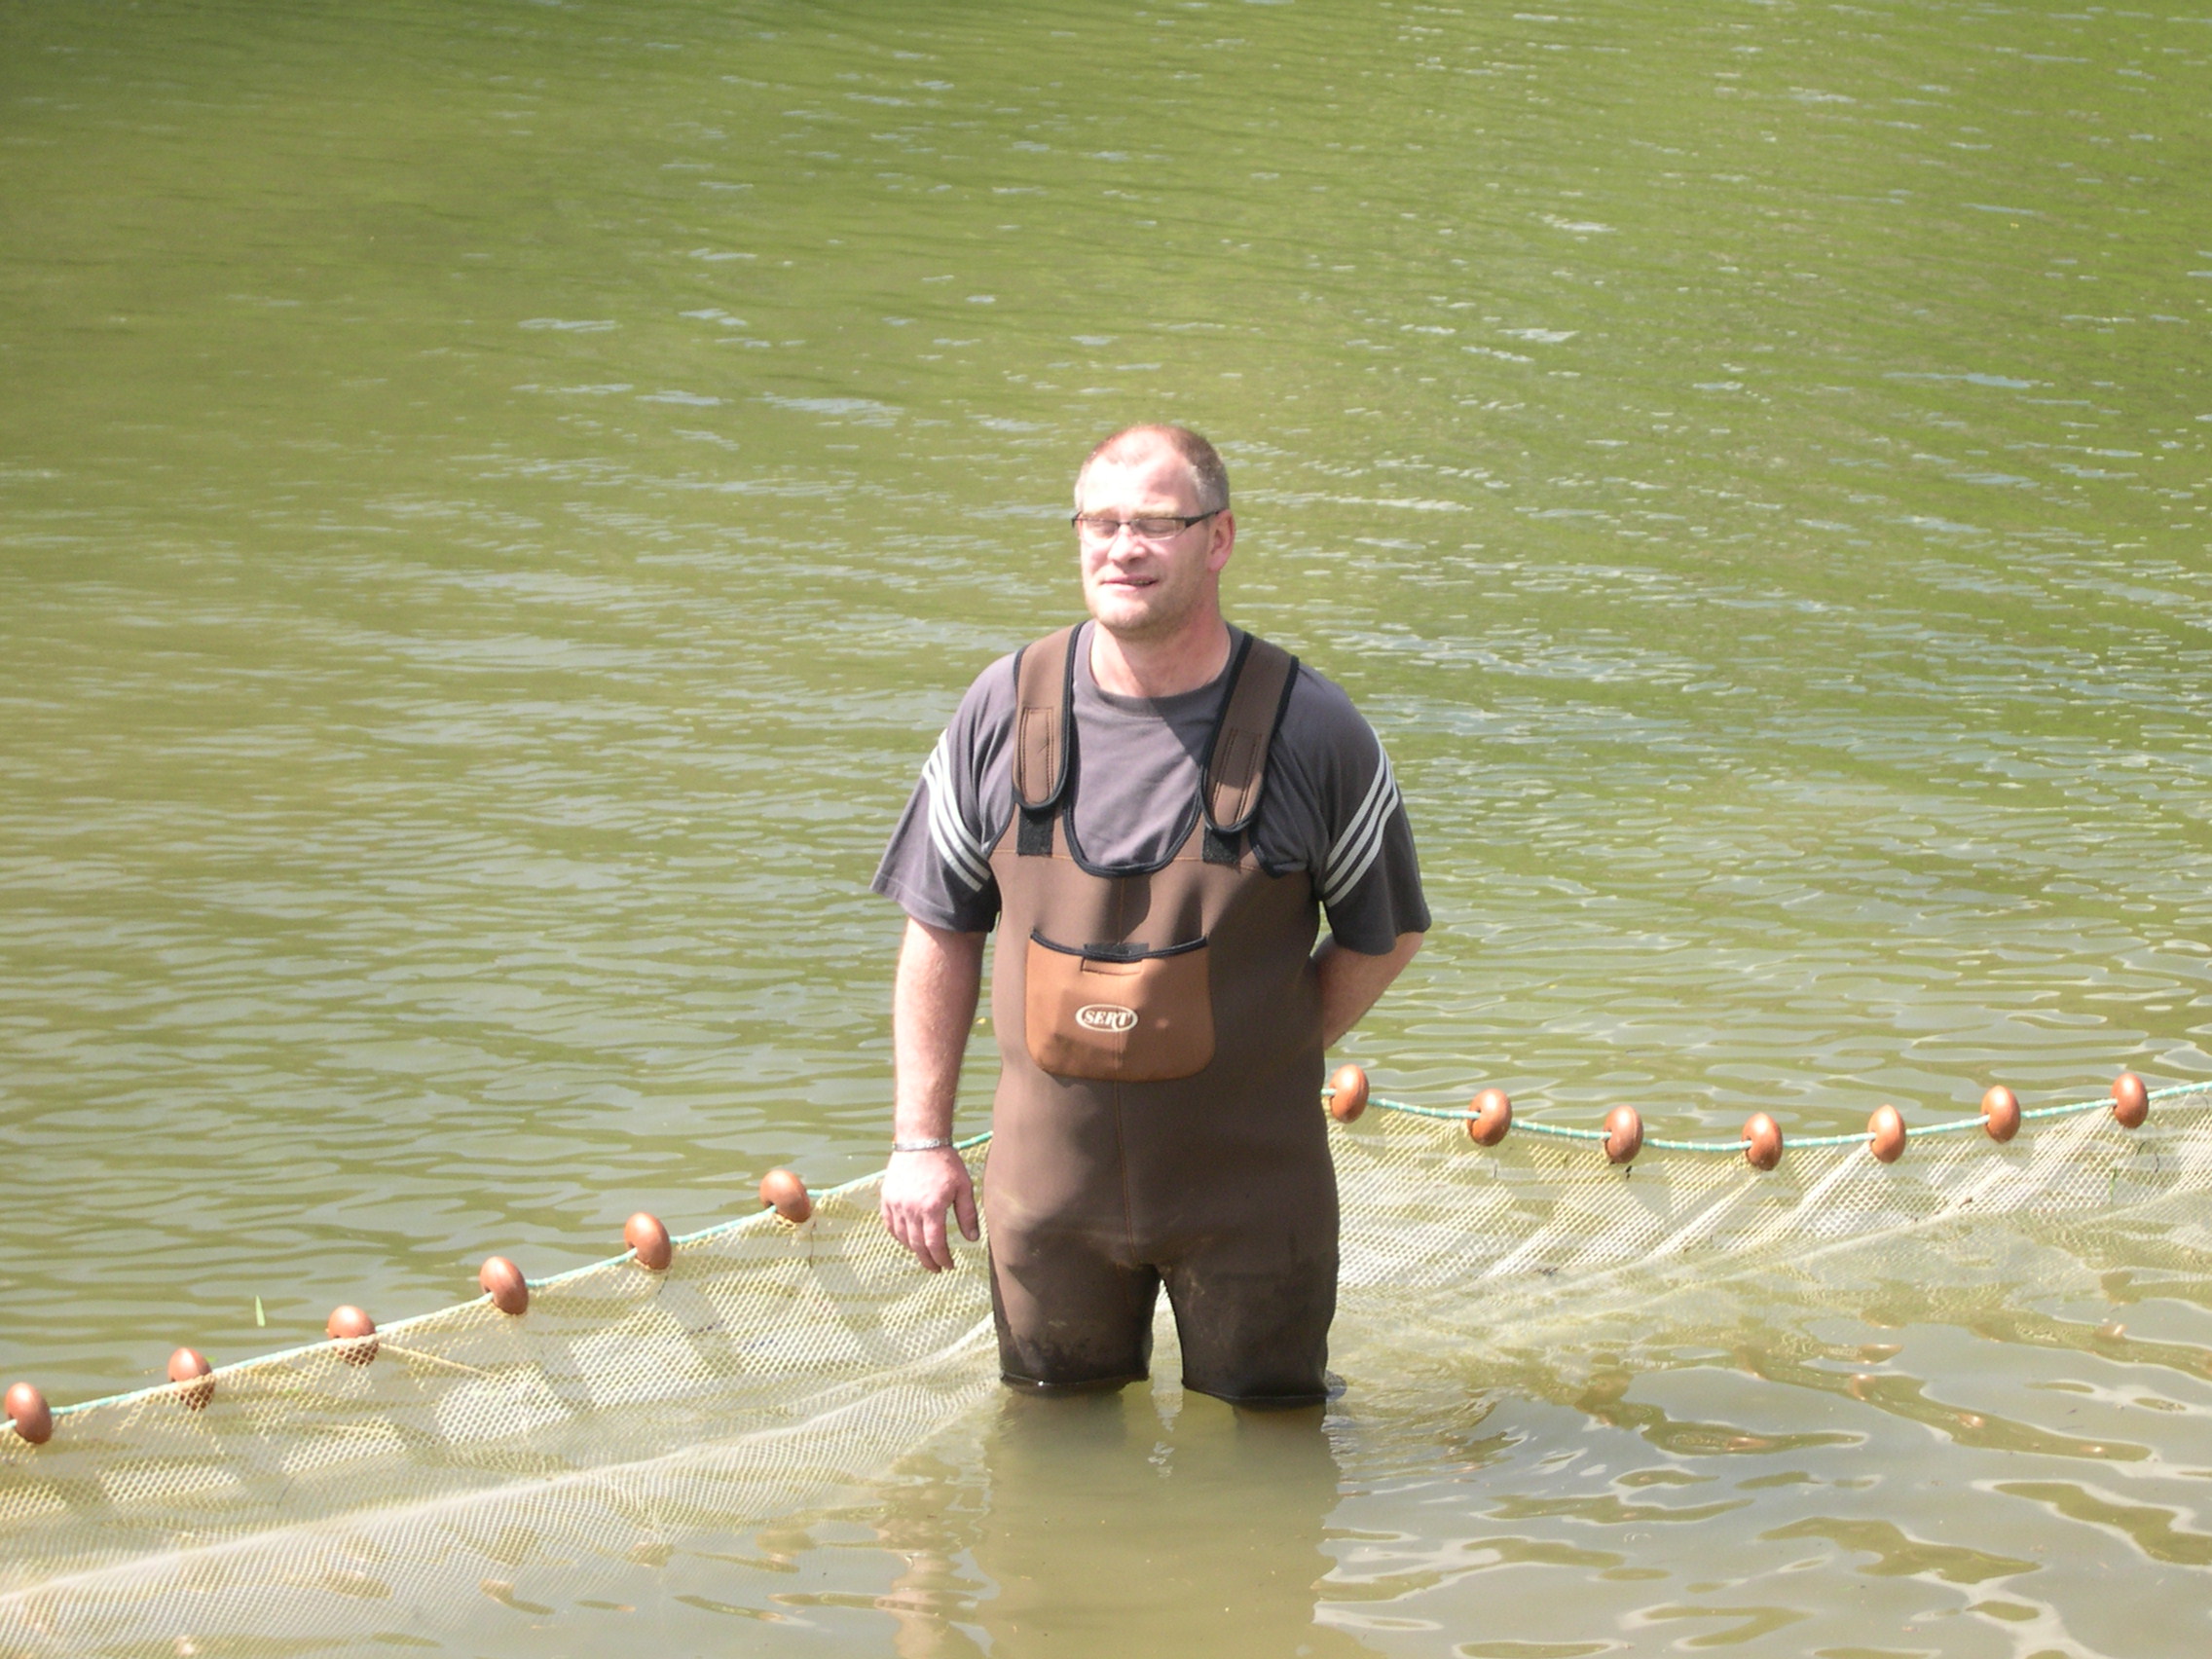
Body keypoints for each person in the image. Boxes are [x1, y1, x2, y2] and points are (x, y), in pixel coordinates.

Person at [871, 424, 1427, 1407]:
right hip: (1046, 1202)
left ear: (1219, 539)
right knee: (1050, 1443)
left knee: (1274, 1446)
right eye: (1100, 522)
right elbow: (940, 926)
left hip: (1253, 1197)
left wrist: (1269, 1045)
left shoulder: (1314, 729)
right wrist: (921, 1141)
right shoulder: (1000, 709)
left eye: (1156, 524)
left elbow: (1387, 935)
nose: (1122, 548)